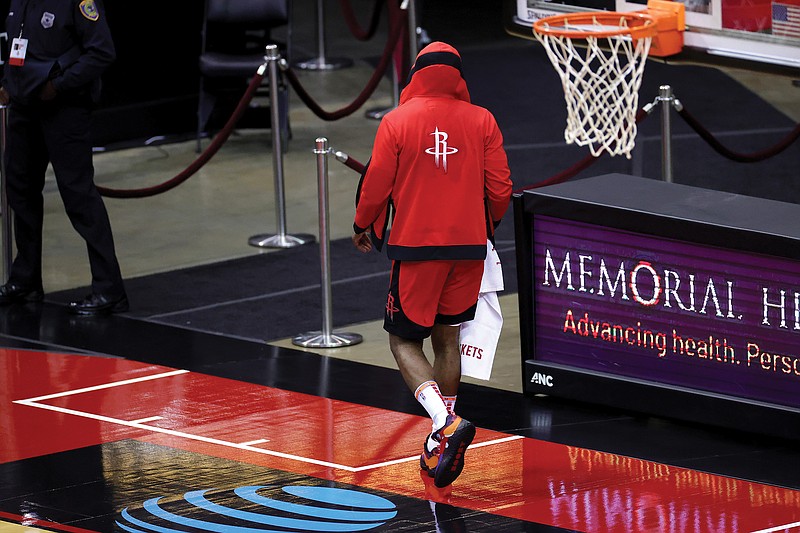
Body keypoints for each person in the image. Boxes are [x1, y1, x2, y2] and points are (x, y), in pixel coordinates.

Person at [352, 41, 513, 488]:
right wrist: (486, 227)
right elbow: (500, 189)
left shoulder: (397, 121)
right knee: (448, 342)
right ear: (458, 77)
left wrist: (363, 222)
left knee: (403, 342)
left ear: (417, 74)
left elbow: (376, 183)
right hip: (468, 250)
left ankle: (445, 423)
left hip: (416, 251)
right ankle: (442, 438)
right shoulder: (483, 120)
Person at [0, 0, 127, 315]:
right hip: (24, 107)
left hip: (64, 108)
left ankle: (109, 290)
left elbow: (102, 52)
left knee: (78, 195)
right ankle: (26, 281)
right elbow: (18, 47)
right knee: (20, 191)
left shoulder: (78, 2)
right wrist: (7, 82)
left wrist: (59, 85)